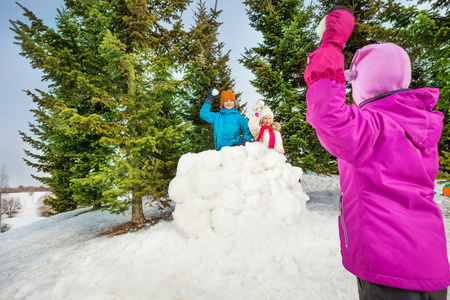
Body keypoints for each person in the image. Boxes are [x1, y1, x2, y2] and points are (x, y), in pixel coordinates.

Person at [303, 5, 450, 299]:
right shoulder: (419, 125)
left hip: (390, 269)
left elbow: (327, 115)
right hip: (430, 268)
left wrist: (331, 44)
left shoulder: (373, 128)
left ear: (361, 82)